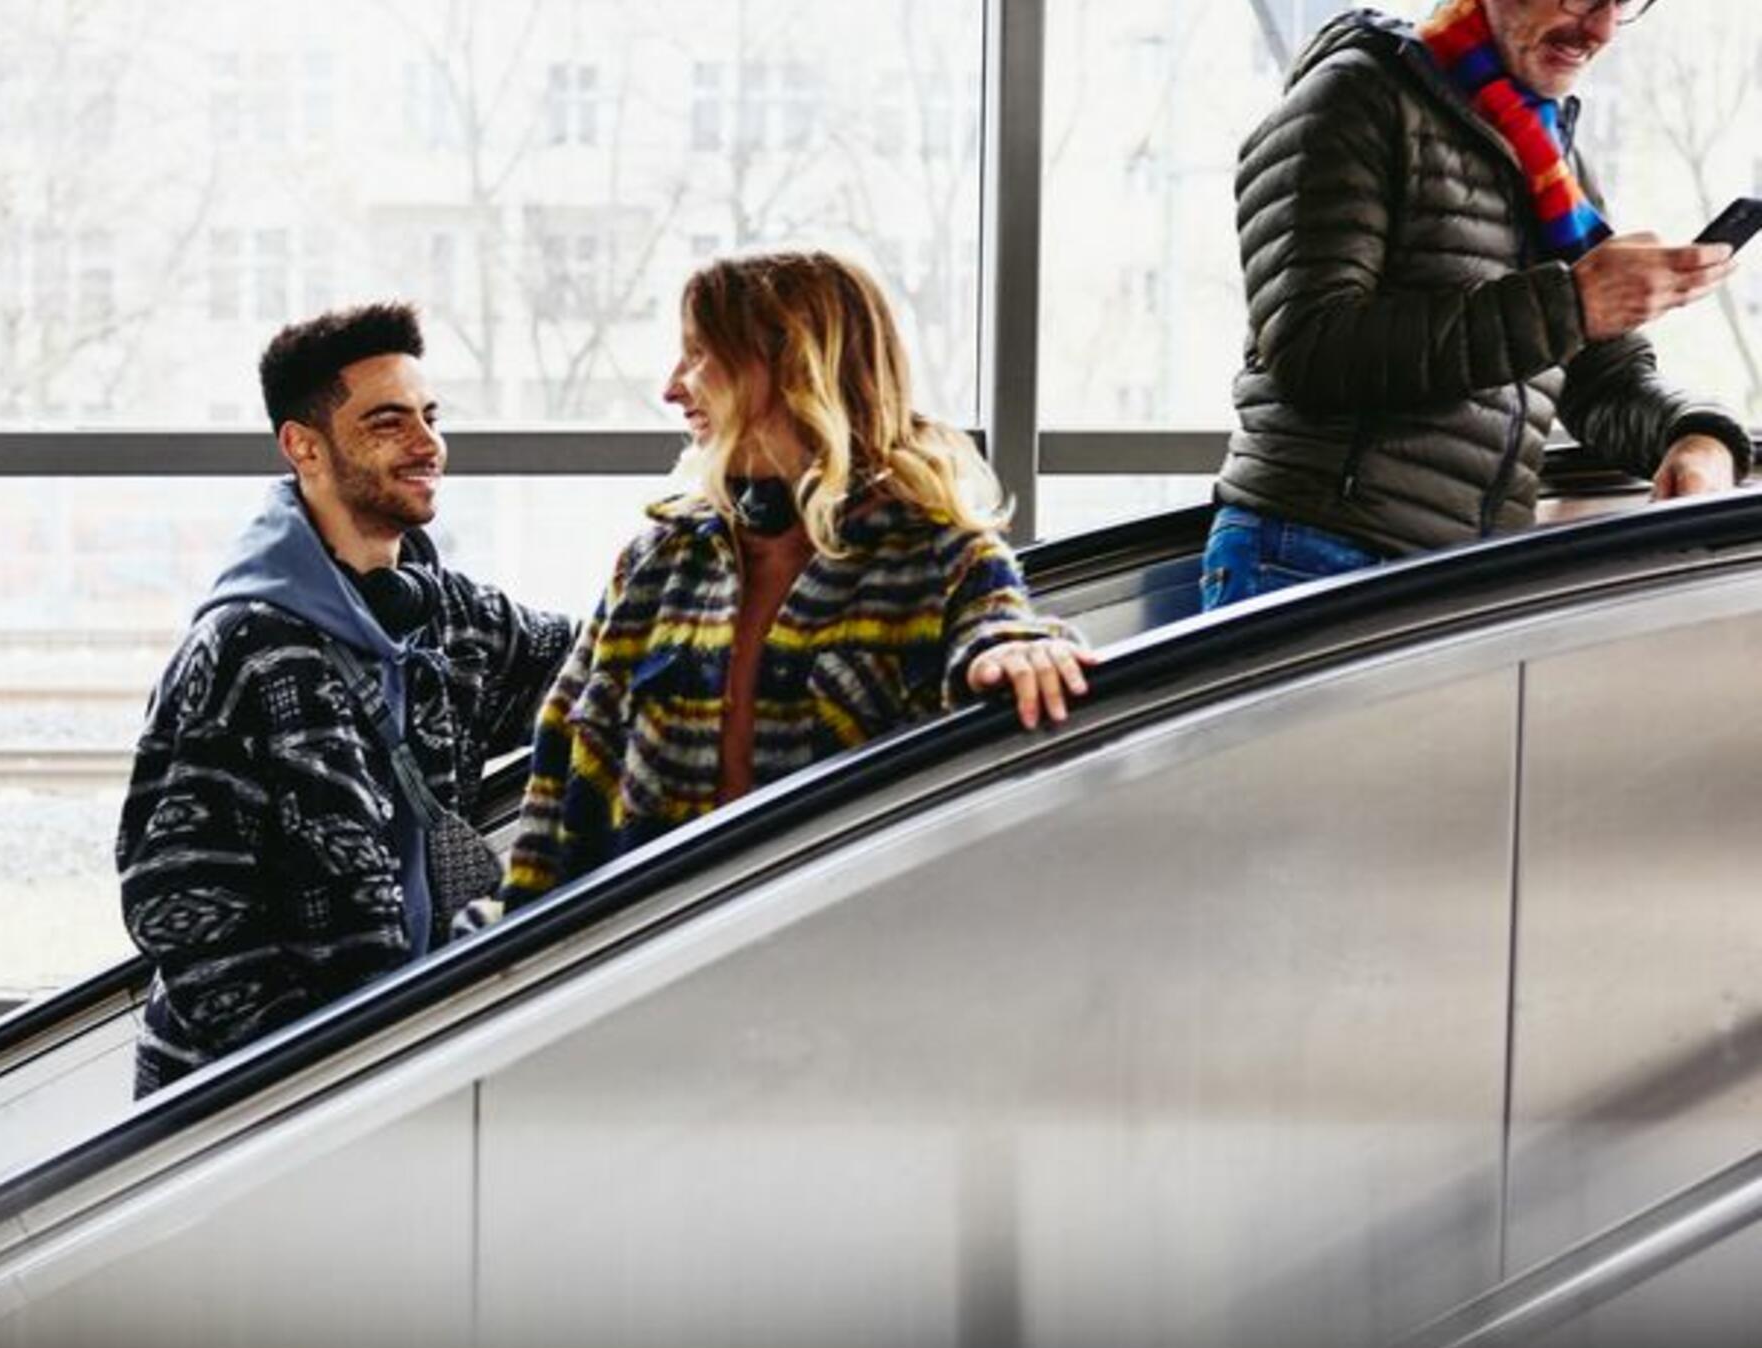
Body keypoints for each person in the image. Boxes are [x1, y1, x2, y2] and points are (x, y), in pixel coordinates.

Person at [495, 250, 1091, 909]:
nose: (671, 387)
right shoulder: (658, 563)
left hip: (839, 969)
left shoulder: (941, 554)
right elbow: (558, 774)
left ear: (790, 366)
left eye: (697, 354)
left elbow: (1000, 628)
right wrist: (505, 960)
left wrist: (1022, 650)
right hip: (650, 970)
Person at [116, 303, 575, 1096]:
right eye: (388, 422)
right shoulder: (243, 650)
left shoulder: (447, 615)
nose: (428, 444)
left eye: (430, 417)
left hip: (395, 1064)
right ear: (304, 446)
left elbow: (598, 672)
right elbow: (175, 893)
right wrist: (304, 1072)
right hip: (264, 1098)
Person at [1203, 0, 1750, 611]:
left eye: (1622, 4)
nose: (1599, 30)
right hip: (1314, 555)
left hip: (1464, 573)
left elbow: (1604, 377)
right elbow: (1311, 347)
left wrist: (1697, 434)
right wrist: (1572, 303)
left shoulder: (1549, 158)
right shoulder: (1354, 95)